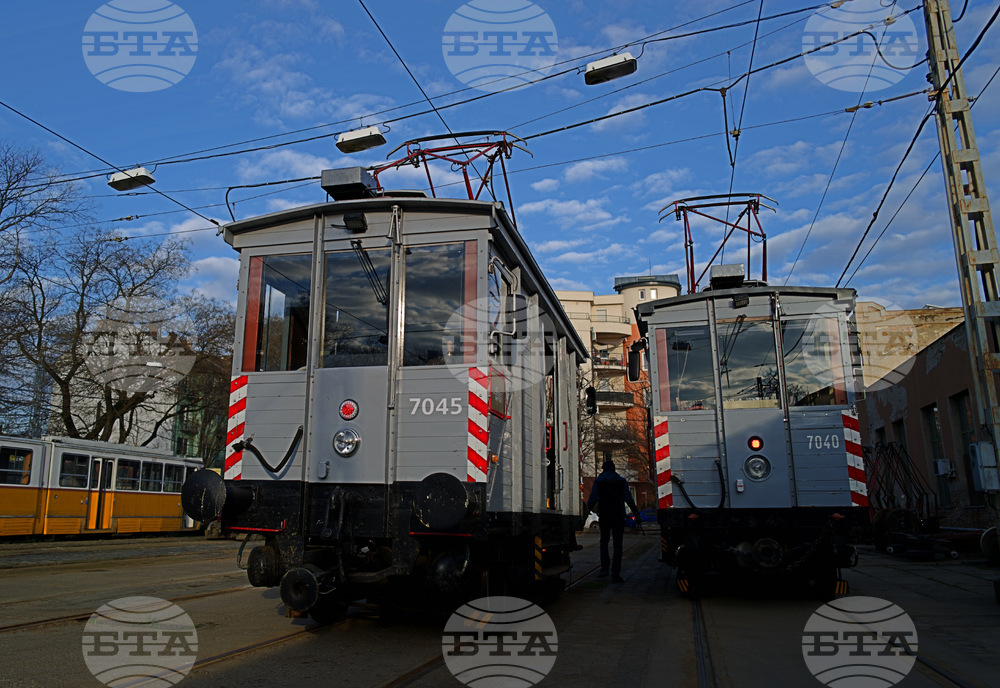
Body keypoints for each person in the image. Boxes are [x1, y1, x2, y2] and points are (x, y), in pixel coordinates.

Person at [586, 460, 641, 583]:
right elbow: (629, 499)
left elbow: (593, 498)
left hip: (605, 515)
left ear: (603, 469)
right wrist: (636, 513)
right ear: (614, 469)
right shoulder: (621, 482)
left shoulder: (598, 482)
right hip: (618, 515)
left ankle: (604, 569)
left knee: (604, 542)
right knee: (618, 545)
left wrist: (585, 513)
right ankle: (615, 573)